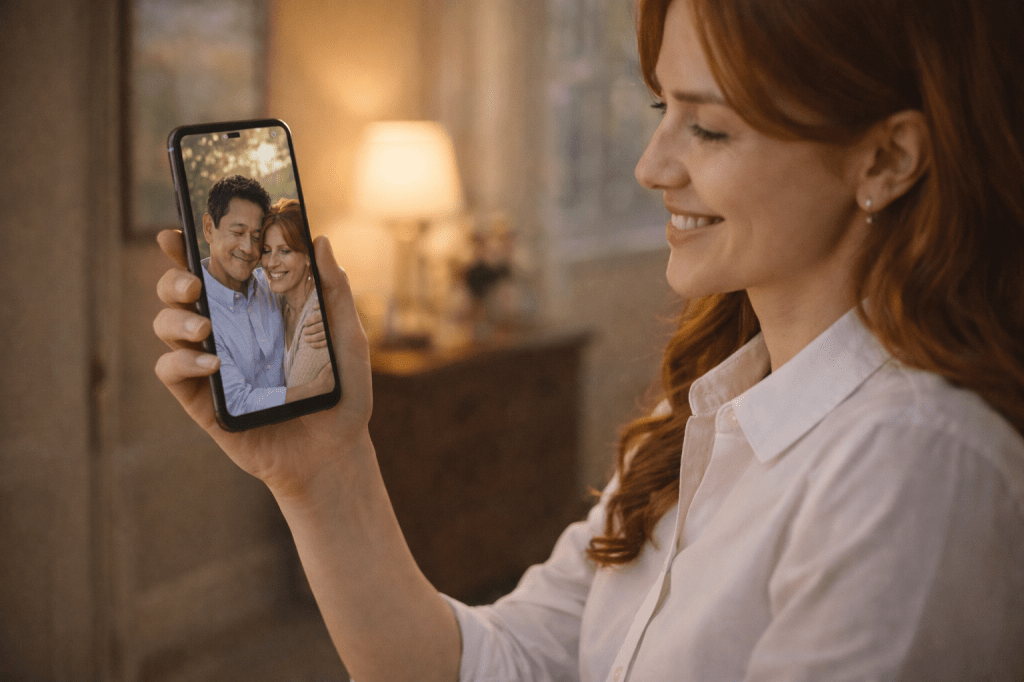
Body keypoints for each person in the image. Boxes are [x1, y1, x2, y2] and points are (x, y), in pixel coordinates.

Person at [153, 0, 1024, 680]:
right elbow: (487, 666)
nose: (651, 165)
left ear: (885, 160)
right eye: (661, 107)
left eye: (709, 126)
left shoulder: (915, 467)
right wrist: (321, 472)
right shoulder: (700, 418)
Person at [199, 175, 330, 416]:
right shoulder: (201, 315)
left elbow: (310, 283)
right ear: (209, 228)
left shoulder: (271, 286)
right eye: (237, 232)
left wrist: (332, 314)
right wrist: (314, 390)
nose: (248, 248)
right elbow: (235, 403)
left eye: (256, 238)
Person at [260, 198, 330, 387]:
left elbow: (296, 399)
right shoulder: (279, 304)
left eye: (284, 251)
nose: (271, 262)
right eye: (266, 251)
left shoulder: (316, 320)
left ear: (308, 256)